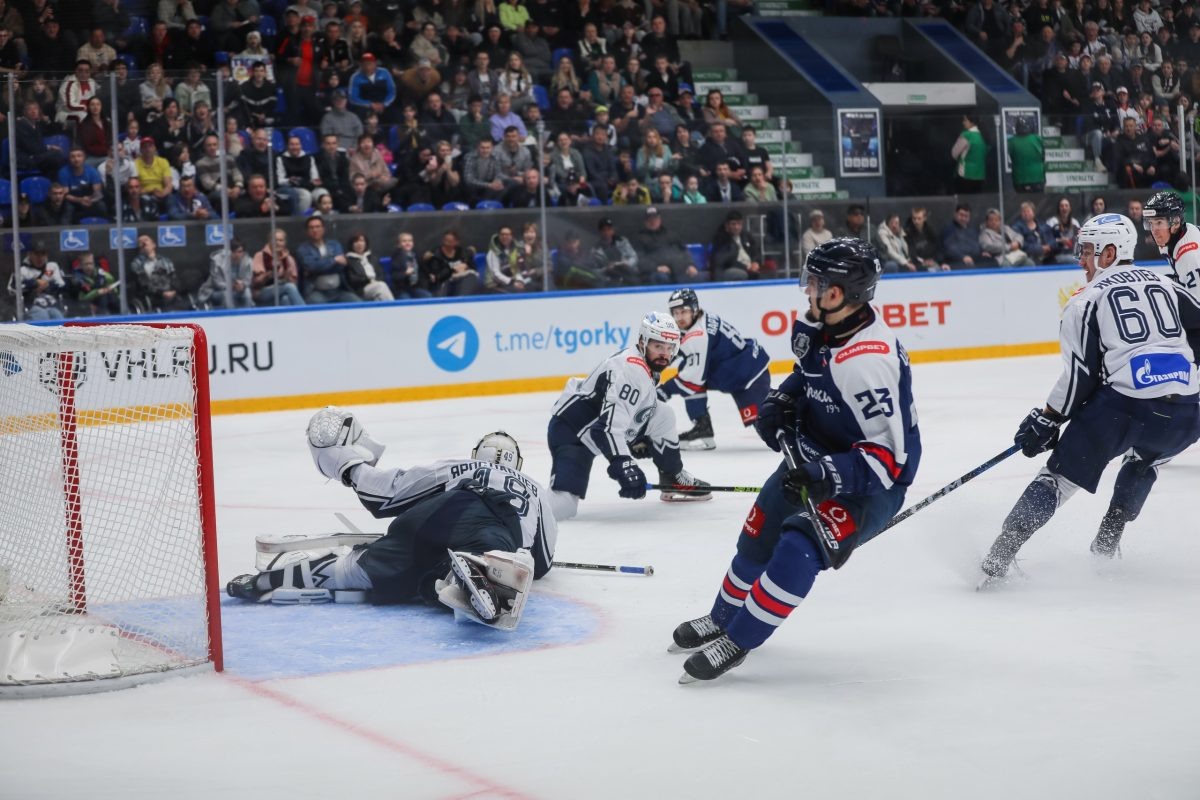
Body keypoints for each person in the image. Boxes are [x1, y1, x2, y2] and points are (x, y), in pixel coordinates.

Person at [669, 238, 922, 683]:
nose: (808, 289)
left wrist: (828, 474)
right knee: (758, 533)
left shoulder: (867, 363)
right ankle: (722, 617)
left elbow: (889, 461)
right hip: (813, 457)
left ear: (842, 292)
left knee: (798, 546)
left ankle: (740, 638)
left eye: (817, 282)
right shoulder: (817, 327)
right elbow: (806, 376)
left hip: (868, 483)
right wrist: (782, 401)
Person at [980, 214, 1200, 584]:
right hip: (1188, 414)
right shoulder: (1170, 287)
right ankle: (1106, 547)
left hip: (1125, 408)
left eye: (1086, 251)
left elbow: (1080, 377)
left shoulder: (1086, 300)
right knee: (1145, 462)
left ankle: (997, 558)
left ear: (1110, 252)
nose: (1080, 259)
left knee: (1057, 480)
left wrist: (1047, 418)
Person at [228, 413, 555, 632]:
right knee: (501, 557)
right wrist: (520, 560)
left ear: (476, 454)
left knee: (355, 571)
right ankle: (469, 576)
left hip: (435, 515)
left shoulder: (459, 468)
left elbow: (386, 494)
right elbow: (542, 562)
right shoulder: (536, 492)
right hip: (494, 525)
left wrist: (348, 467)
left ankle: (264, 581)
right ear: (519, 462)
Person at [546, 311, 711, 522]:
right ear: (643, 342)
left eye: (670, 348)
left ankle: (671, 476)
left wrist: (636, 438)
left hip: (599, 426)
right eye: (658, 346)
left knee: (663, 415)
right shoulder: (631, 370)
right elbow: (606, 428)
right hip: (573, 434)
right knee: (563, 507)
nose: (664, 354)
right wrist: (623, 463)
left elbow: (632, 410)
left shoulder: (645, 365)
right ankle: (515, 499)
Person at [658, 288, 771, 451]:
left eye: (683, 311)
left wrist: (662, 392)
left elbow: (691, 378)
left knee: (769, 429)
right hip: (735, 370)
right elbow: (680, 349)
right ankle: (702, 427)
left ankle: (802, 423)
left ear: (694, 309)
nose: (679, 317)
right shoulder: (699, 320)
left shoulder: (699, 335)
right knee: (689, 370)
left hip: (749, 376)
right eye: (675, 313)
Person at [1142, 191, 1200, 355]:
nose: (1154, 230)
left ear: (1175, 222)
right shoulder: (1174, 236)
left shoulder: (1189, 256)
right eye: (1150, 223)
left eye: (1159, 222)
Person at [297, 217, 360, 305]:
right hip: (316, 292)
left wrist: (319, 266)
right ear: (307, 231)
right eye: (311, 227)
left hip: (339, 291)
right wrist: (334, 260)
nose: (315, 230)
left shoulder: (334, 245)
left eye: (318, 227)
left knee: (357, 303)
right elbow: (311, 266)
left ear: (323, 229)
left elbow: (341, 266)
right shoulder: (303, 249)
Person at [8, 243, 67, 321]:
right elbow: (11, 289)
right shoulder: (22, 270)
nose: (40, 258)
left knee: (57, 315)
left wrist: (47, 285)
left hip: (51, 304)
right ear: (29, 254)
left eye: (43, 254)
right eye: (36, 254)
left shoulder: (52, 266)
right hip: (30, 305)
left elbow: (62, 285)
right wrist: (34, 283)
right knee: (42, 315)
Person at [129, 235, 185, 312]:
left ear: (153, 245)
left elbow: (174, 278)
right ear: (140, 249)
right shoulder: (137, 264)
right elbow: (144, 284)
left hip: (172, 293)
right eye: (140, 242)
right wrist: (161, 293)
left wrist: (174, 291)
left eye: (146, 240)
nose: (143, 243)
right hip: (153, 296)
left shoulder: (165, 261)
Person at [252, 230, 306, 306]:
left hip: (281, 290)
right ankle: (304, 312)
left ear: (285, 243)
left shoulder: (289, 258)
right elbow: (255, 282)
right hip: (263, 292)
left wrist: (287, 277)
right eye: (275, 240)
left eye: (281, 240)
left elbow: (294, 284)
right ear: (269, 241)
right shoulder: (260, 255)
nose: (277, 243)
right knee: (289, 287)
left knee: (286, 299)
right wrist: (270, 273)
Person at [197, 240, 255, 309]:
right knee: (227, 294)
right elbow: (217, 283)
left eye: (239, 252)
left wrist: (242, 285)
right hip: (216, 291)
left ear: (243, 252)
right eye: (233, 252)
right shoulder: (217, 260)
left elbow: (248, 280)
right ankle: (231, 316)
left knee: (247, 292)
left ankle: (247, 316)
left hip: (238, 290)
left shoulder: (247, 261)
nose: (236, 255)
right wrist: (232, 286)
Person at [709, 210, 762, 281]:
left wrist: (755, 262)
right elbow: (725, 261)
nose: (737, 227)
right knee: (742, 274)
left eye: (739, 224)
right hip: (729, 269)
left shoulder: (746, 236)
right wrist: (746, 267)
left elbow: (756, 250)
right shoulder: (721, 239)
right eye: (733, 224)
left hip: (750, 267)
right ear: (727, 225)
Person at [344, 233, 396, 302]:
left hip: (376, 286)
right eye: (356, 241)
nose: (359, 244)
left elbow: (381, 274)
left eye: (362, 241)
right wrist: (369, 280)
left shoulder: (372, 258)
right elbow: (352, 279)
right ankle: (393, 308)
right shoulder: (348, 261)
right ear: (352, 244)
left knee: (379, 297)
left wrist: (375, 281)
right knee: (381, 286)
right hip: (361, 290)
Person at [1007, 116, 1046, 192]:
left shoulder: (1011, 141)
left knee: (1021, 201)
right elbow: (1043, 157)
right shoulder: (1038, 138)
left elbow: (1011, 157)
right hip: (1037, 176)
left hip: (1019, 178)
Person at [951, 113, 987, 194]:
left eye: (965, 120)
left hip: (965, 174)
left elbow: (954, 153)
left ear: (972, 122)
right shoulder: (984, 135)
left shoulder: (966, 135)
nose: (963, 122)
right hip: (980, 175)